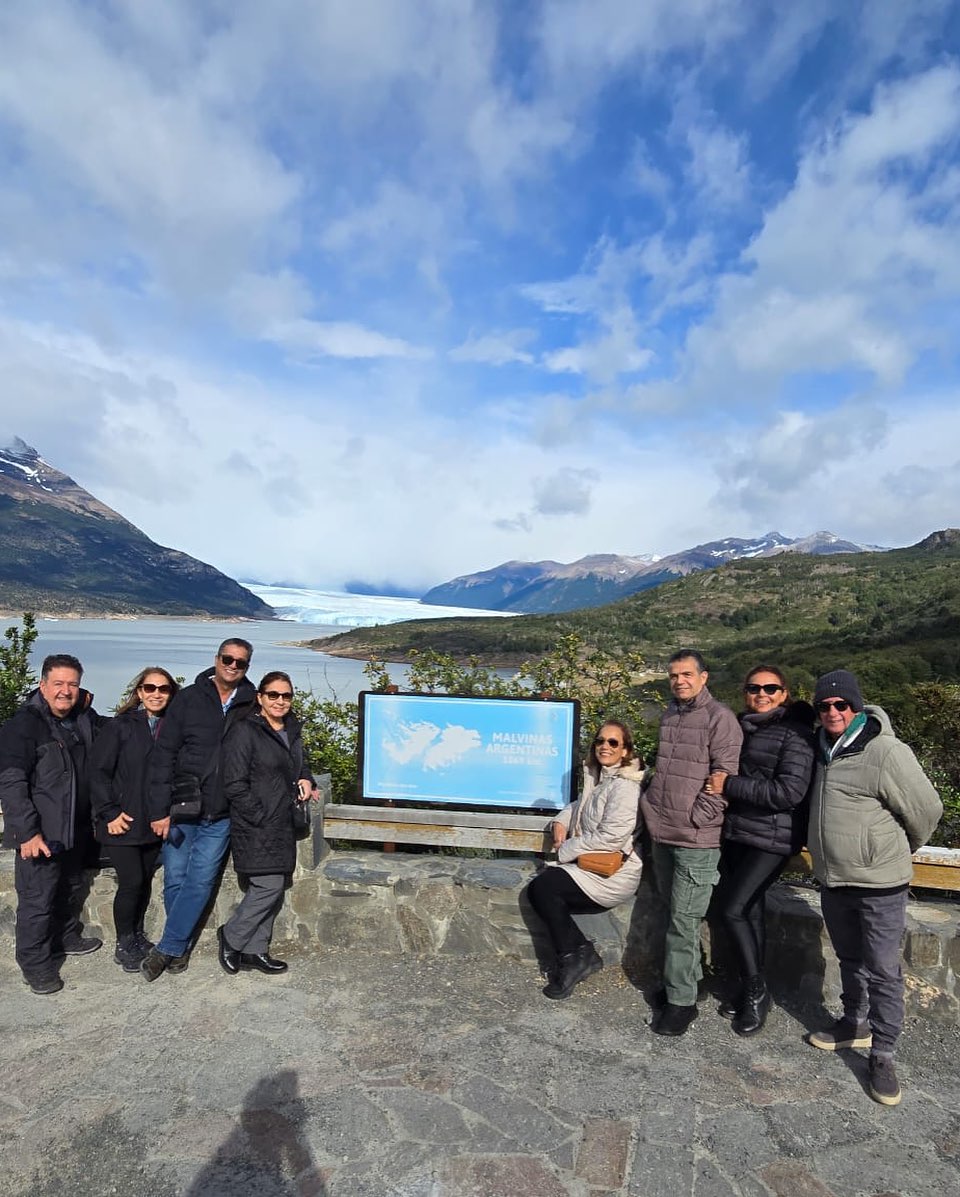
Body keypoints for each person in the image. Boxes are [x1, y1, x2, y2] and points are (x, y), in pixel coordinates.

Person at [805, 669, 942, 1107]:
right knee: (849, 958)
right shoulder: (821, 748)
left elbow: (927, 808)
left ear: (857, 706)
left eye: (841, 704)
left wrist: (894, 849)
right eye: (824, 706)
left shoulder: (884, 750)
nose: (833, 712)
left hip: (880, 882)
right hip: (834, 878)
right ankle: (855, 1023)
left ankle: (883, 1053)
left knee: (883, 970)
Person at [705, 666, 815, 1035]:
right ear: (745, 692)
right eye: (754, 688)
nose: (761, 694)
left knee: (732, 909)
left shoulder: (796, 734)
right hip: (738, 833)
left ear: (784, 694)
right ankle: (748, 986)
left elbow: (789, 792)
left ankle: (756, 991)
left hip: (773, 839)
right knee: (750, 911)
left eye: (770, 688)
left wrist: (730, 785)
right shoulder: (741, 727)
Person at [141, 638, 257, 981]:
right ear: (216, 659)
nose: (233, 666)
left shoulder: (252, 703)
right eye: (228, 659)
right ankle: (179, 947)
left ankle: (168, 948)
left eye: (240, 662)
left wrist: (303, 774)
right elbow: (164, 754)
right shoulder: (189, 698)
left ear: (247, 667)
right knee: (175, 878)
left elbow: (283, 734)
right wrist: (158, 810)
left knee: (201, 879)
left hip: (222, 811)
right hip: (182, 805)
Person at [640, 649, 743, 1036]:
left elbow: (725, 777)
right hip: (663, 833)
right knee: (675, 914)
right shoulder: (670, 714)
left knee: (683, 922)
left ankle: (681, 1003)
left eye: (686, 674)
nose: (679, 681)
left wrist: (697, 817)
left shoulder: (720, 719)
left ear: (704, 677)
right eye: (674, 675)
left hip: (696, 839)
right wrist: (651, 805)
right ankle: (686, 982)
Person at [0, 653, 103, 993]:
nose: (65, 691)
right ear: (42, 685)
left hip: (74, 828)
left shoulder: (82, 718)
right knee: (37, 901)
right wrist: (27, 832)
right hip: (41, 833)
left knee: (69, 888)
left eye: (72, 684)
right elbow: (12, 782)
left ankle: (65, 937)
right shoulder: (24, 726)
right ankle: (35, 965)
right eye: (58, 683)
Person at [527, 720, 646, 999]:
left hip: (613, 875)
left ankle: (575, 956)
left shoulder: (626, 787)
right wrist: (561, 821)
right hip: (589, 866)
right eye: (600, 741)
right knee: (543, 888)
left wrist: (566, 848)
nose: (605, 746)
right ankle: (579, 955)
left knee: (544, 889)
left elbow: (611, 838)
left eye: (613, 742)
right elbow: (581, 806)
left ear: (625, 750)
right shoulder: (599, 776)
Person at [217, 671, 316, 976]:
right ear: (260, 697)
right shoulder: (245, 731)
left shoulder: (291, 729)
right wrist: (259, 815)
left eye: (286, 695)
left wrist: (306, 778)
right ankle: (231, 936)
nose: (280, 701)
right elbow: (234, 783)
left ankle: (255, 950)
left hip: (283, 824)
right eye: (273, 695)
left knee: (275, 886)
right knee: (268, 885)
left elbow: (299, 764)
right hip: (255, 824)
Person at [89, 667, 179, 972]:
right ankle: (124, 943)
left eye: (163, 689)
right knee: (131, 882)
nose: (156, 694)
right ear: (139, 692)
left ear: (171, 693)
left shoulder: (172, 729)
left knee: (144, 883)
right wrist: (109, 813)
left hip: (153, 823)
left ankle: (138, 936)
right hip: (122, 822)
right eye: (150, 688)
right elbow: (97, 772)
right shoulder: (120, 726)